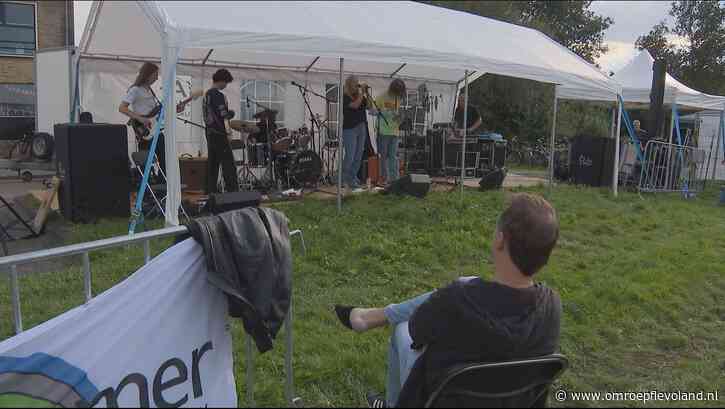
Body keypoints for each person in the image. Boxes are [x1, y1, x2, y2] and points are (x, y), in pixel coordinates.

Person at [334, 193, 562, 407]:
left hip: (446, 399)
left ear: (500, 240)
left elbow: (416, 331)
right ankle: (370, 317)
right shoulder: (552, 306)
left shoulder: (458, 300)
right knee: (467, 281)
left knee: (401, 329)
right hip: (512, 400)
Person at [119, 62, 198, 174]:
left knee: (165, 158)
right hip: (145, 131)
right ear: (148, 74)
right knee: (146, 164)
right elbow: (122, 108)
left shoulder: (150, 91)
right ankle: (147, 188)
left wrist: (176, 109)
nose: (156, 78)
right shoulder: (135, 90)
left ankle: (163, 185)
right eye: (155, 74)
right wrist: (141, 119)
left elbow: (157, 114)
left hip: (155, 130)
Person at [203, 68, 239, 195]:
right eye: (226, 82)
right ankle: (233, 192)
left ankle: (210, 192)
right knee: (228, 164)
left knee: (213, 165)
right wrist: (231, 113)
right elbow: (223, 114)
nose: (226, 85)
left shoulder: (206, 94)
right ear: (222, 80)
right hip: (219, 134)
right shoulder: (217, 95)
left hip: (209, 132)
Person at [372, 79, 406, 186]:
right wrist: (381, 112)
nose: (398, 94)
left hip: (394, 132)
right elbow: (371, 110)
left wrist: (400, 118)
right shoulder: (382, 96)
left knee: (393, 157)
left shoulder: (398, 98)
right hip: (383, 132)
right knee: (384, 157)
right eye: (396, 92)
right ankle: (384, 179)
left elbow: (398, 118)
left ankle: (394, 180)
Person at [342, 75, 370, 192]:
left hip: (361, 127)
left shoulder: (359, 95)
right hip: (350, 129)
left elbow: (369, 106)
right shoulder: (345, 96)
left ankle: (352, 178)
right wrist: (361, 93)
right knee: (350, 156)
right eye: (355, 83)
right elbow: (355, 105)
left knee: (358, 156)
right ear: (349, 84)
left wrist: (367, 94)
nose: (357, 85)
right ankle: (343, 178)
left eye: (358, 82)